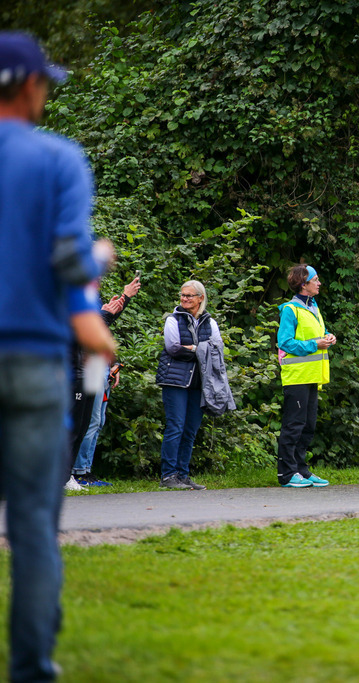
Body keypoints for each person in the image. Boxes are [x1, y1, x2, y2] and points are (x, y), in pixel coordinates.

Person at [0, 30, 116, 682]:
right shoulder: (58, 160)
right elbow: (70, 260)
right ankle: (30, 668)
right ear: (28, 85)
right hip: (35, 362)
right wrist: (93, 321)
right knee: (34, 525)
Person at [71, 275, 141, 487]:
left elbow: (102, 330)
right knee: (88, 421)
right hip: (85, 368)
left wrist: (113, 363)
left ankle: (86, 471)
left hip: (99, 365)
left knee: (97, 420)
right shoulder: (75, 298)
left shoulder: (92, 297)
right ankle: (77, 472)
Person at [155, 280, 222, 490]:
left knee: (190, 430)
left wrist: (194, 347)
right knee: (175, 427)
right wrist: (201, 350)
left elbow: (217, 350)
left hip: (199, 383)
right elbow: (174, 349)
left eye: (189, 296)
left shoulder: (210, 323)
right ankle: (168, 476)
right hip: (175, 380)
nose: (184, 299)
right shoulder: (173, 320)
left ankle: (183, 476)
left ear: (200, 298)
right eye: (182, 295)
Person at [276, 264, 334, 487]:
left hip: (312, 376)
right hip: (297, 375)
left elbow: (316, 335)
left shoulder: (313, 307)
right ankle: (287, 474)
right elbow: (286, 342)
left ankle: (302, 470)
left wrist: (327, 337)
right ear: (303, 284)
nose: (319, 283)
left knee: (308, 426)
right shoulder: (290, 309)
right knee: (294, 425)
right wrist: (315, 344)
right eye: (315, 279)